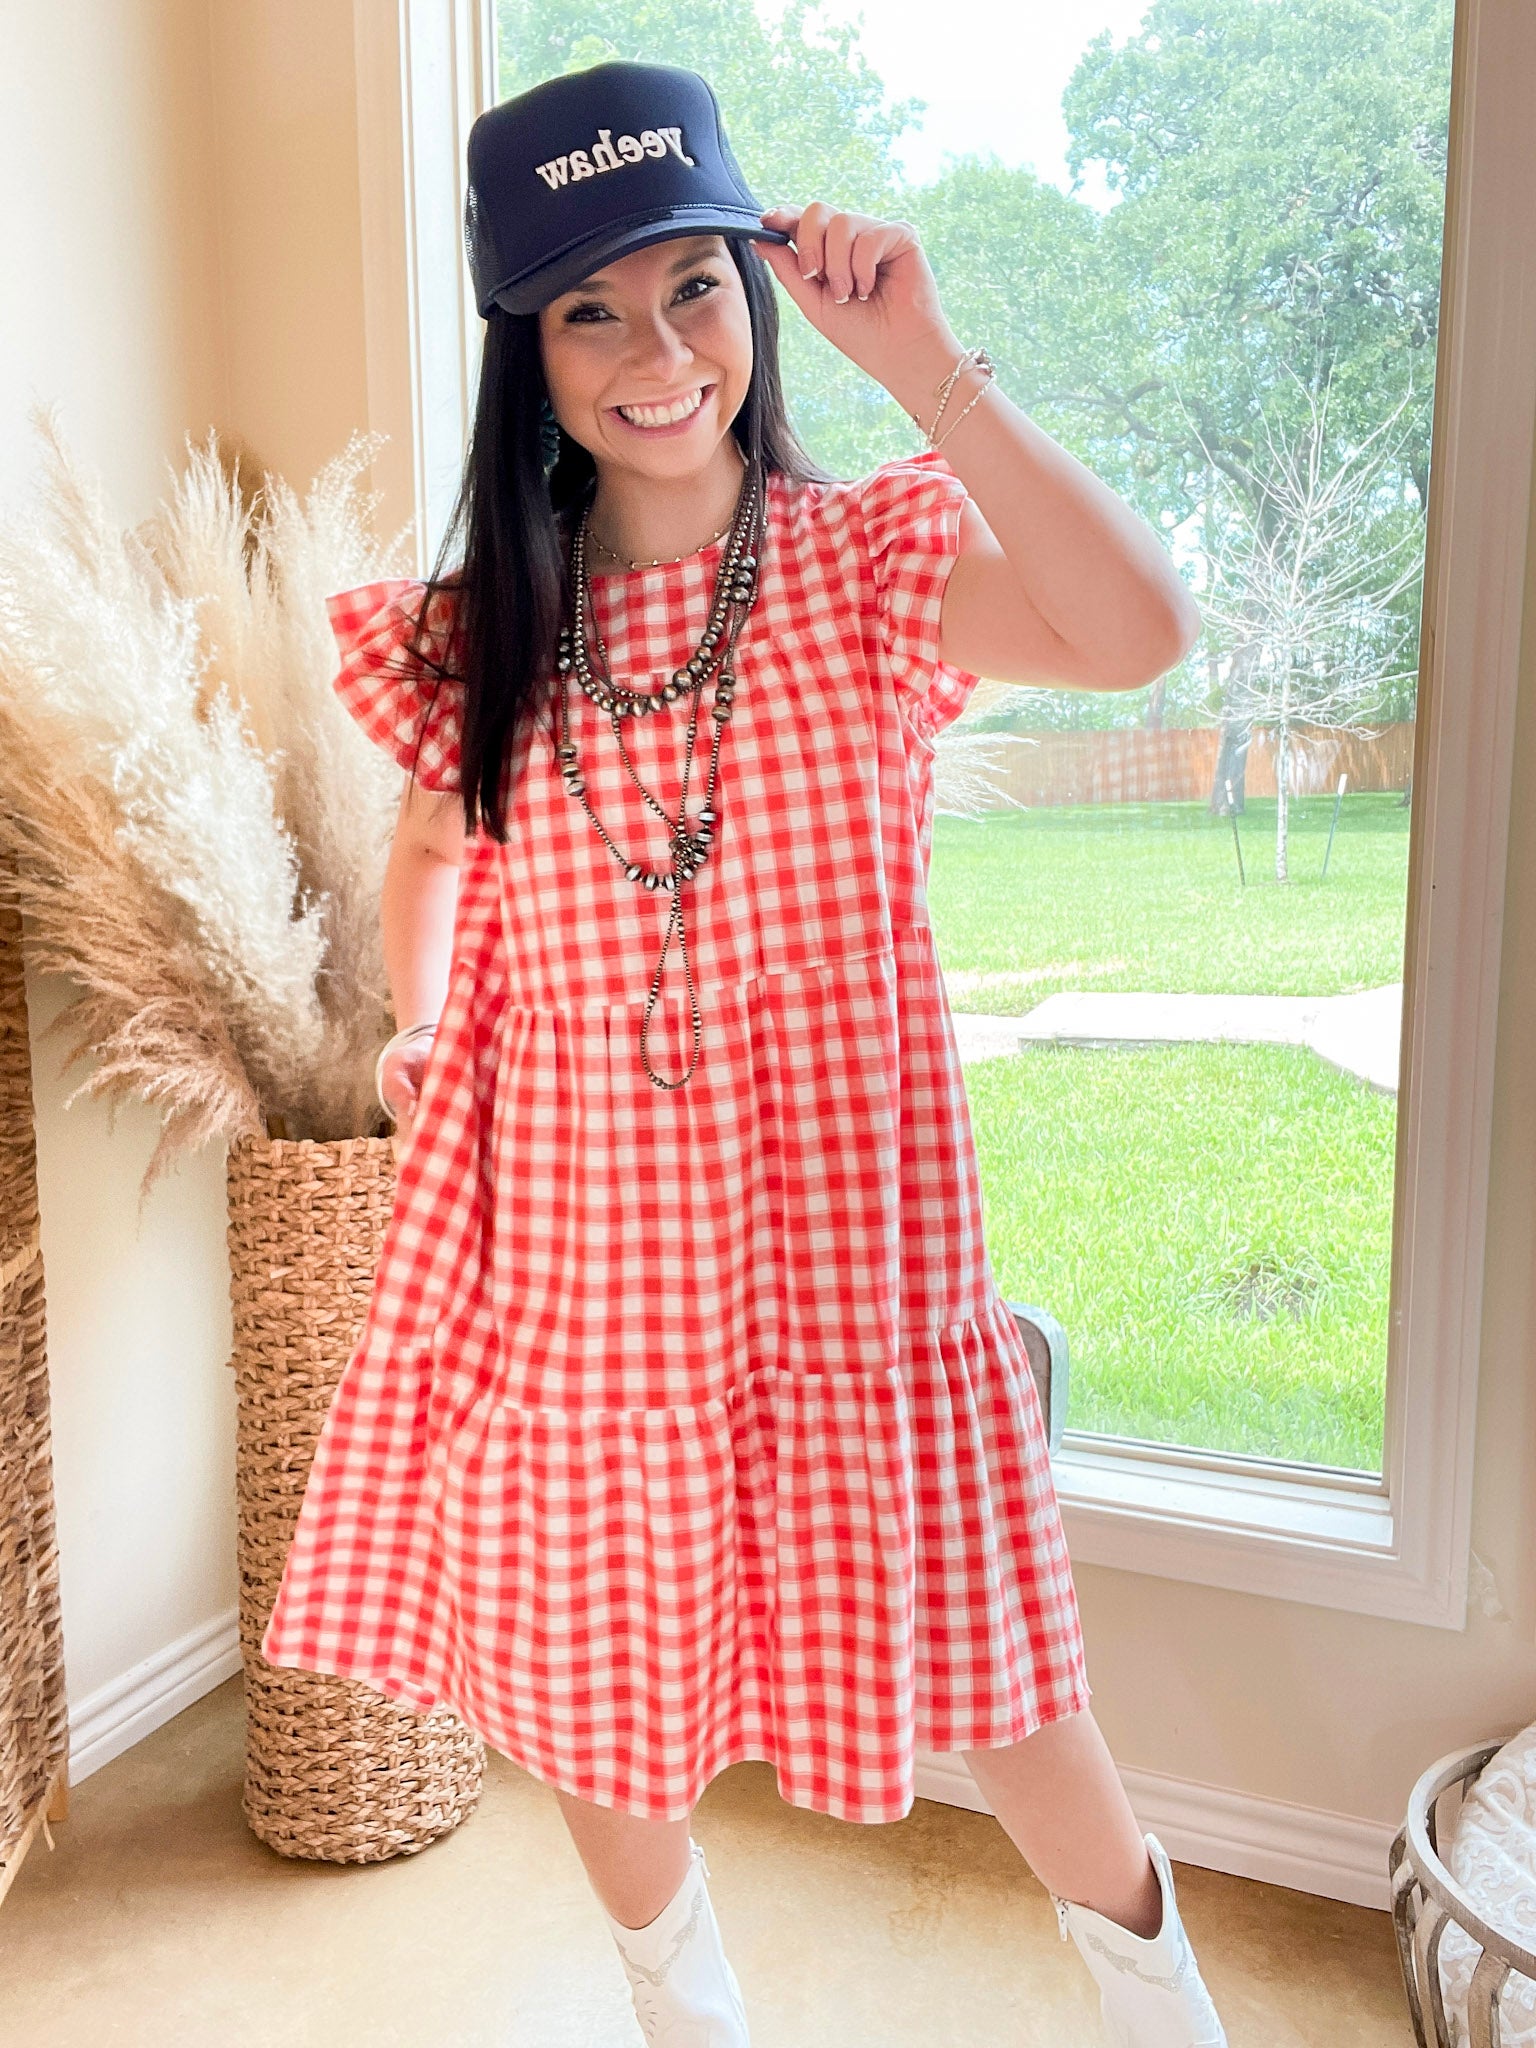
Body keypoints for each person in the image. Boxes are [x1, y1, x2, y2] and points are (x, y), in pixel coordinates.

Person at [260, 58, 1225, 2048]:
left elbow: (1138, 632)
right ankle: (686, 2014)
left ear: (755, 298)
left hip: (849, 1246)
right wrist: (430, 1021)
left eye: (690, 285)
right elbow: (432, 845)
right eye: (587, 311)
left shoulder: (866, 569)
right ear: (529, 353)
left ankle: (1163, 2012)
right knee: (604, 1681)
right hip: (588, 1256)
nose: (650, 350)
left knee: (1013, 1685)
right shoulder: (486, 639)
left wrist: (930, 362)